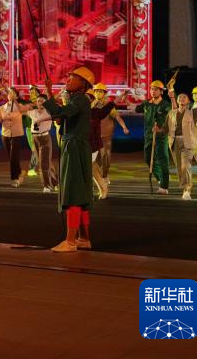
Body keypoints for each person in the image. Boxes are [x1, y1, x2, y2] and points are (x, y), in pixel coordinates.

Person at [41, 67, 96, 253]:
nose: (68, 80)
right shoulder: (79, 100)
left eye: (73, 78)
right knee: (81, 195)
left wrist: (48, 91)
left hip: (73, 147)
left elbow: (59, 112)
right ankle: (84, 238)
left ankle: (70, 241)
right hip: (77, 146)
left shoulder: (79, 99)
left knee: (73, 193)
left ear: (83, 83)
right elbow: (62, 116)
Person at [0, 87, 38, 187]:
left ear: (16, 97)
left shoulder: (19, 106)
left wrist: (16, 102)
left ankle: (14, 178)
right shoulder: (2, 108)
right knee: (11, 157)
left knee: (13, 156)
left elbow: (25, 109)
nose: (11, 94)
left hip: (17, 134)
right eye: (10, 93)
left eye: (13, 93)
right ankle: (19, 171)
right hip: (5, 134)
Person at [168, 87, 197, 200]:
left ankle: (190, 186)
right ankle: (189, 183)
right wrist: (172, 97)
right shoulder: (183, 110)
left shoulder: (195, 111)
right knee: (181, 166)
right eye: (195, 94)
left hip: (196, 138)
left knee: (194, 162)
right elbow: (174, 112)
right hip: (179, 140)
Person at [128, 79, 172, 195]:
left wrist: (161, 129)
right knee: (148, 159)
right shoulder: (147, 103)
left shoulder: (166, 105)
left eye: (156, 89)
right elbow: (135, 108)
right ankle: (160, 177)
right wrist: (126, 99)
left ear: (161, 91)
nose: (153, 91)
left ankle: (164, 186)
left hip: (161, 136)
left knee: (163, 160)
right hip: (148, 136)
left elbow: (172, 116)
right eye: (152, 89)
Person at [90, 83, 129, 187]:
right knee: (93, 159)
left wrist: (124, 127)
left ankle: (104, 176)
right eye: (96, 91)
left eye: (100, 91)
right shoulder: (90, 105)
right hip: (93, 136)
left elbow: (117, 117)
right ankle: (96, 176)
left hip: (106, 136)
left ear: (104, 93)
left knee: (105, 156)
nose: (98, 93)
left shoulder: (108, 105)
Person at [28, 90, 58, 193]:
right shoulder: (33, 112)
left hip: (44, 138)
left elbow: (55, 115)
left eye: (42, 101)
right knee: (46, 163)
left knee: (43, 164)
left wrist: (41, 120)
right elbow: (20, 109)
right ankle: (55, 182)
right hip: (35, 138)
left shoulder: (48, 112)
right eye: (38, 101)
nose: (39, 103)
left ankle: (47, 186)